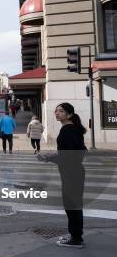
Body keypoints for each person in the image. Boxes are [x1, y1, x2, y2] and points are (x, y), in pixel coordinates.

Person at [38, 103, 87, 248]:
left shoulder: (67, 130)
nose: (57, 113)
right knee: (74, 205)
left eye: (61, 111)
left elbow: (68, 156)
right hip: (75, 171)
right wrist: (52, 156)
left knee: (71, 206)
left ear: (69, 115)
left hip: (71, 173)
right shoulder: (74, 129)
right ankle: (76, 236)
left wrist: (47, 157)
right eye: (56, 111)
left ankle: (76, 238)